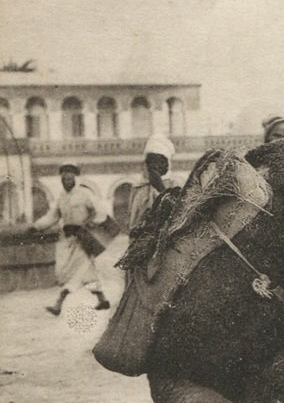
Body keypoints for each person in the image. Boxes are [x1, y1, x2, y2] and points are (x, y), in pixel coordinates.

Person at [30, 164, 111, 314]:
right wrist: (37, 226)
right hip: (69, 240)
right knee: (86, 272)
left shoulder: (84, 194)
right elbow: (53, 215)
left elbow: (99, 212)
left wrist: (89, 225)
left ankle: (58, 304)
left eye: (69, 178)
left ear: (75, 179)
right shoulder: (62, 197)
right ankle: (102, 300)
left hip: (83, 239)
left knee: (73, 272)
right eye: (64, 179)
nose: (66, 181)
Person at [127, 134, 175, 231]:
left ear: (166, 164)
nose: (154, 166)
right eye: (150, 161)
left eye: (159, 161)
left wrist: (161, 190)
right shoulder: (137, 188)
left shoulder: (175, 185)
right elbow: (132, 220)